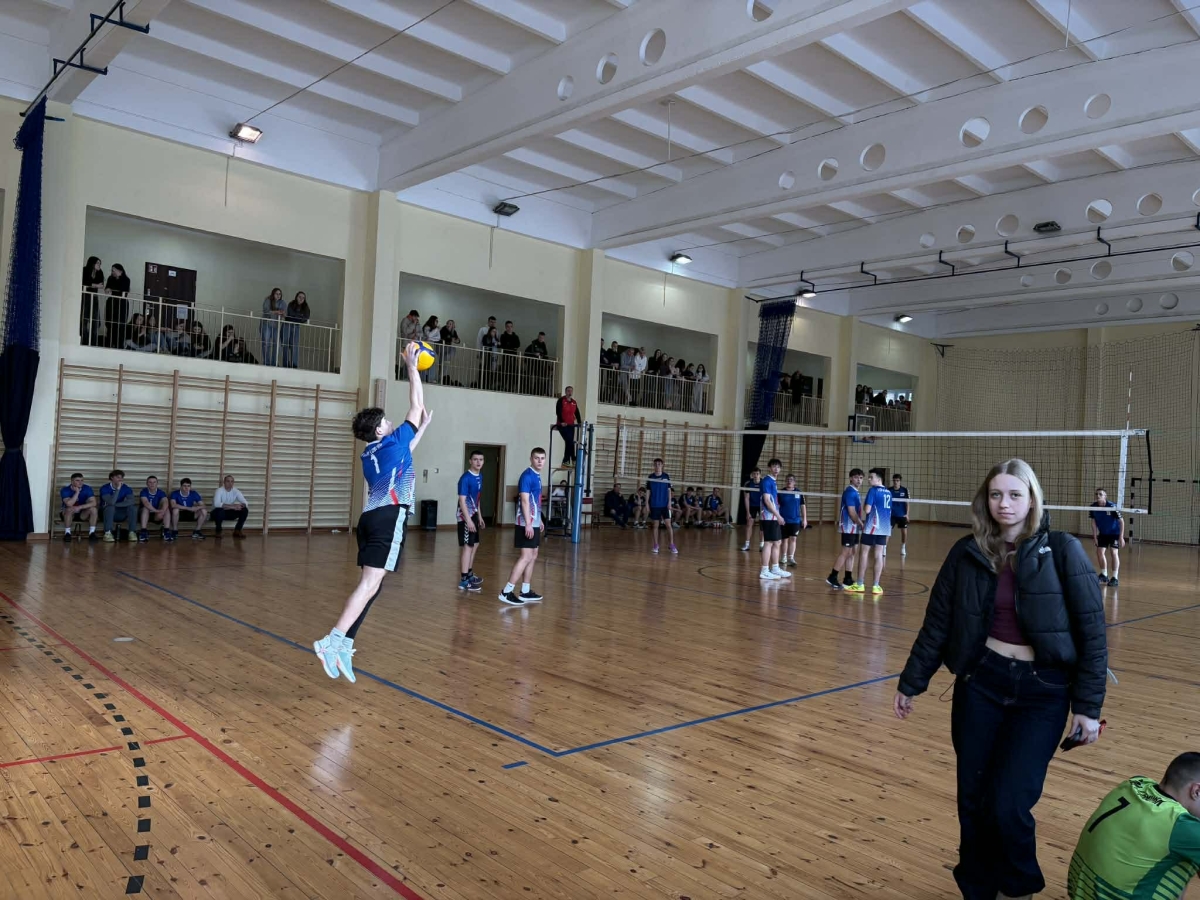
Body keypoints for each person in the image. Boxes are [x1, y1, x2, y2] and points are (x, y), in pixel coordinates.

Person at [894, 458, 1107, 900]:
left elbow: (1092, 631)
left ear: (1032, 499)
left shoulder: (1062, 549)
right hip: (982, 684)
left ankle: (1018, 888)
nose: (1004, 504)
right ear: (985, 500)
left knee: (1010, 801)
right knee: (972, 798)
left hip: (1043, 692)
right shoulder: (966, 552)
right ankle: (977, 890)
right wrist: (912, 681)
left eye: (1014, 494)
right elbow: (938, 622)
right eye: (995, 494)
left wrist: (1088, 707)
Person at [312, 342, 432, 682]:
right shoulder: (393, 442)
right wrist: (412, 367)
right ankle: (331, 640)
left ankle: (345, 643)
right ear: (379, 430)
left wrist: (423, 428)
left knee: (373, 586)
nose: (390, 422)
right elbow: (416, 404)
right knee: (369, 584)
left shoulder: (370, 454)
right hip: (389, 517)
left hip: (368, 520)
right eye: (385, 420)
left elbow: (405, 451)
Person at [1068, 751, 1200, 900]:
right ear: (1196, 791)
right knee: (1188, 855)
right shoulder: (1180, 825)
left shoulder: (1134, 783)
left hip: (1081, 892)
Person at [499, 448, 546, 606]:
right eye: (537, 458)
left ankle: (525, 590)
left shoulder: (537, 476)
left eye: (542, 458)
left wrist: (538, 520)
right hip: (525, 523)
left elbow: (535, 501)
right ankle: (506, 591)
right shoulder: (527, 476)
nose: (540, 461)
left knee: (533, 555)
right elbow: (525, 501)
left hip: (533, 521)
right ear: (531, 459)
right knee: (526, 556)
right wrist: (528, 523)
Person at [853, 468, 892, 595]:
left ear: (879, 479)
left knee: (864, 554)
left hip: (872, 527)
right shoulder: (888, 492)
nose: (869, 479)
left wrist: (864, 505)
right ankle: (876, 586)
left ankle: (860, 584)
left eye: (871, 477)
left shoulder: (873, 491)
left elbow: (867, 510)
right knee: (879, 555)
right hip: (884, 528)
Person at [827, 468, 864, 589]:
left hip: (854, 527)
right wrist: (862, 524)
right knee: (846, 552)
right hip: (848, 527)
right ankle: (832, 576)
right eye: (856, 477)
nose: (859, 480)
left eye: (861, 478)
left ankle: (848, 578)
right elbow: (852, 513)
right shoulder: (850, 492)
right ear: (851, 478)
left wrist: (859, 524)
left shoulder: (856, 492)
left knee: (852, 552)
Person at [457, 451, 486, 592]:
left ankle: (469, 574)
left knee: (475, 544)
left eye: (481, 459)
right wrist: (468, 520)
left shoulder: (480, 476)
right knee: (468, 546)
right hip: (465, 516)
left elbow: (477, 498)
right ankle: (463, 581)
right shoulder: (465, 478)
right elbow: (462, 501)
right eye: (475, 459)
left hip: (474, 514)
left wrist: (479, 516)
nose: (478, 462)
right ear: (470, 461)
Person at [758, 458, 790, 580]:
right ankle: (764, 570)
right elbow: (767, 500)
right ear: (769, 468)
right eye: (774, 466)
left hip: (773, 517)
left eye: (778, 466)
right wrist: (778, 515)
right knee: (769, 543)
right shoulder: (766, 481)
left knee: (777, 542)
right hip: (768, 517)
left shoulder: (773, 481)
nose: (776, 468)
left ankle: (775, 568)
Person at [1090, 488, 1125, 587]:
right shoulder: (1093, 507)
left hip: (1114, 533)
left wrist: (1121, 537)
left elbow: (1121, 521)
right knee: (1099, 552)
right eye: (1096, 494)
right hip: (1103, 533)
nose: (1098, 495)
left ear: (1105, 496)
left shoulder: (1112, 506)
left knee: (1114, 552)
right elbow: (1093, 522)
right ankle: (1104, 575)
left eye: (1100, 494)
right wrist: (1095, 537)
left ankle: (1115, 578)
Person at [646, 458, 676, 555]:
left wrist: (669, 502)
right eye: (655, 464)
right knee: (655, 525)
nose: (657, 466)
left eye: (659, 464)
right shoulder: (650, 477)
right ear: (653, 466)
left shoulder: (666, 476)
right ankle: (656, 545)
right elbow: (648, 491)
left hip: (665, 505)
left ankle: (671, 544)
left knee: (668, 525)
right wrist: (646, 504)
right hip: (654, 505)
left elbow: (669, 490)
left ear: (662, 465)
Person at [100, 469, 138, 542]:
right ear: (112, 477)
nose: (120, 479)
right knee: (110, 508)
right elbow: (111, 502)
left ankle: (132, 532)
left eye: (121, 477)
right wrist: (118, 489)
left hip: (119, 512)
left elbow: (131, 501)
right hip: (105, 513)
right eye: (118, 477)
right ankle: (107, 533)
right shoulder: (104, 488)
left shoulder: (126, 488)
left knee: (133, 508)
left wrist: (115, 505)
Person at [60, 473, 98, 542]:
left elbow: (94, 503)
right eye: (77, 480)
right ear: (72, 481)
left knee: (93, 509)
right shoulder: (65, 490)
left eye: (82, 480)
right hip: (69, 514)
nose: (80, 482)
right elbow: (69, 504)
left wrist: (80, 507)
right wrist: (77, 492)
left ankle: (92, 533)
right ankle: (67, 533)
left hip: (82, 513)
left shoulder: (87, 488)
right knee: (69, 509)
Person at [779, 474, 806, 567]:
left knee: (793, 538)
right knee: (784, 540)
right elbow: (777, 506)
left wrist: (805, 519)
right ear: (785, 481)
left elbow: (803, 506)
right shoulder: (781, 492)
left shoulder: (799, 492)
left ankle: (791, 558)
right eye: (787, 480)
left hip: (795, 520)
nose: (789, 481)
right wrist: (778, 517)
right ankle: (783, 557)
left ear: (794, 482)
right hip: (783, 520)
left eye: (791, 480)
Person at [104, 264, 131, 349]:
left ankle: (119, 345)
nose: (112, 272)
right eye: (112, 270)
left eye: (113, 270)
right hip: (112, 302)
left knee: (121, 324)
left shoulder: (126, 279)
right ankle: (109, 344)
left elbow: (124, 290)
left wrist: (112, 287)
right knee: (110, 323)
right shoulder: (110, 278)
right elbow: (107, 289)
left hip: (122, 303)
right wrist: (108, 289)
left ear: (120, 271)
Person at [137, 475, 170, 542]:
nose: (152, 484)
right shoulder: (143, 491)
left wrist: (162, 511)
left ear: (157, 483)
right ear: (147, 484)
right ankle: (143, 532)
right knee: (146, 508)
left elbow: (165, 501)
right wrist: (156, 510)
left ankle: (166, 531)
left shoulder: (161, 492)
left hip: (156, 515)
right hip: (143, 515)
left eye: (154, 482)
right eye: (150, 482)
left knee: (166, 509)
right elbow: (146, 503)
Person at [283, 291, 311, 369]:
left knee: (294, 345)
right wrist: (298, 317)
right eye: (300, 297)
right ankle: (285, 363)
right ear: (296, 297)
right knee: (285, 344)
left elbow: (305, 318)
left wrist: (296, 318)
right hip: (287, 325)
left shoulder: (306, 307)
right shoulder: (291, 304)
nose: (301, 299)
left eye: (303, 298)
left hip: (296, 327)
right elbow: (290, 315)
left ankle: (294, 364)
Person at [81, 256, 104, 346]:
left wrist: (92, 284)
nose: (99, 265)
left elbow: (101, 285)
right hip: (85, 296)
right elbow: (83, 282)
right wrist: (95, 285)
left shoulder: (100, 272)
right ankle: (84, 341)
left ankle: (93, 342)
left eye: (100, 263)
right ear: (92, 263)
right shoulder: (85, 270)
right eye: (97, 263)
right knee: (83, 319)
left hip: (94, 297)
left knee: (95, 320)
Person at [555, 386, 580, 467]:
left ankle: (573, 459)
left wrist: (579, 422)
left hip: (571, 425)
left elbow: (577, 412)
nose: (570, 392)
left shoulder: (574, 402)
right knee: (569, 441)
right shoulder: (561, 400)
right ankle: (566, 460)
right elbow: (558, 411)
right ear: (565, 392)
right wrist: (562, 421)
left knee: (570, 442)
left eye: (571, 391)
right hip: (562, 425)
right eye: (568, 391)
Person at [261, 287, 286, 366]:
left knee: (277, 344)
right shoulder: (268, 300)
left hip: (276, 325)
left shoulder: (282, 302)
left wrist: (282, 313)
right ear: (273, 294)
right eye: (276, 294)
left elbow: (285, 313)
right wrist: (276, 312)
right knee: (266, 343)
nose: (278, 295)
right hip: (267, 324)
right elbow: (266, 311)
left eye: (279, 294)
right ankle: (267, 362)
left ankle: (274, 362)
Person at [740, 468, 762, 552]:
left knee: (762, 526)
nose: (756, 475)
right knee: (749, 524)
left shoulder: (763, 483)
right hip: (752, 505)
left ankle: (762, 545)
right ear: (752, 475)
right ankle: (747, 544)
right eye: (754, 474)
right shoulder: (748, 483)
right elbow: (746, 498)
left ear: (760, 475)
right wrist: (748, 512)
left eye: (757, 474)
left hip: (762, 506)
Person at [891, 473, 910, 557]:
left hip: (902, 515)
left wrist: (907, 514)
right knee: (887, 532)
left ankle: (903, 547)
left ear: (900, 481)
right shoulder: (889, 490)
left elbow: (907, 503)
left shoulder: (904, 490)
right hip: (891, 515)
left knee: (904, 532)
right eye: (894, 480)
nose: (896, 482)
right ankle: (884, 548)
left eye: (897, 481)